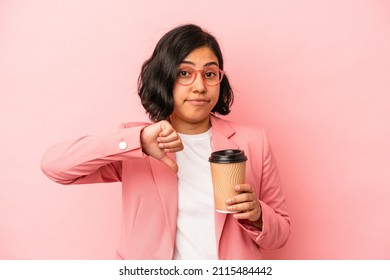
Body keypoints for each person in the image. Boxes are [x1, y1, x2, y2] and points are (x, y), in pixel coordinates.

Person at [41, 24, 290, 260]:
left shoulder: (253, 141)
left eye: (210, 74)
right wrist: (136, 141)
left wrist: (257, 215)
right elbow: (55, 166)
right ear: (165, 78)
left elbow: (281, 233)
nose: (200, 86)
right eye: (184, 73)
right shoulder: (137, 144)